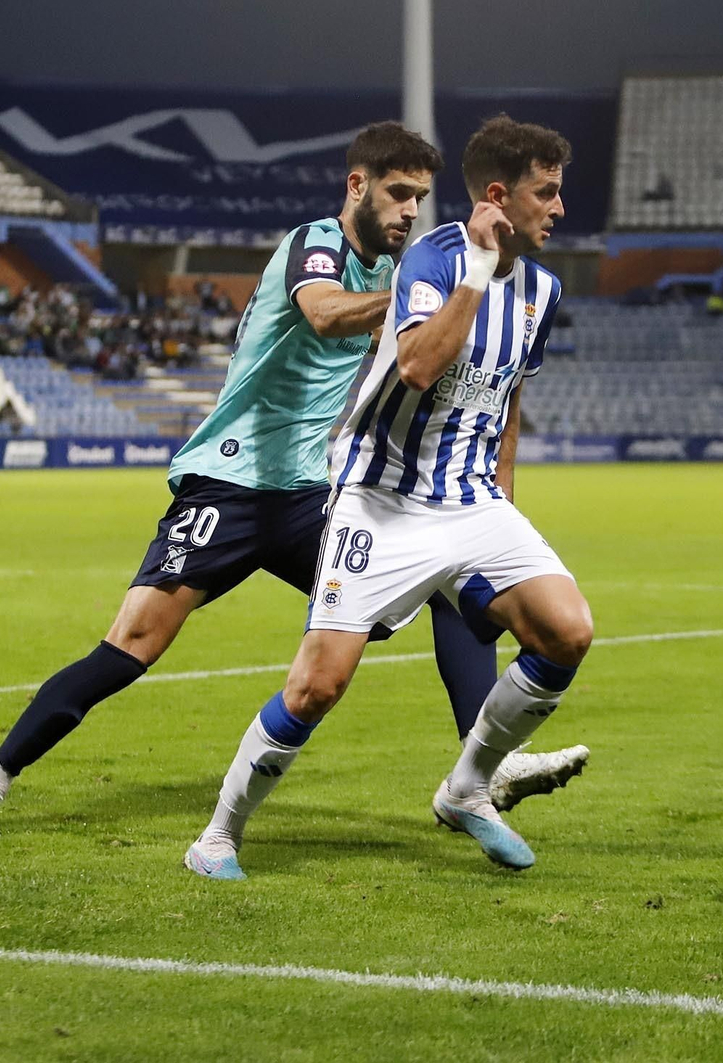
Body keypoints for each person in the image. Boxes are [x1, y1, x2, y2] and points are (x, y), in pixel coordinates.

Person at [0, 122, 587, 842]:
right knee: (134, 643)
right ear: (357, 186)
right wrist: (422, 299)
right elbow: (322, 314)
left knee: (452, 587)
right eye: (398, 194)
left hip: (311, 494)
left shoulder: (397, 269)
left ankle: (481, 770)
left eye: (419, 198)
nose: (411, 211)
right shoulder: (318, 244)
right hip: (231, 481)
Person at [185, 116, 591, 879]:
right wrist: (477, 270)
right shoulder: (432, 261)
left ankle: (467, 789)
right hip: (381, 501)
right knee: (318, 685)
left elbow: (508, 402)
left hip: (471, 503)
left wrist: (504, 505)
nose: (559, 208)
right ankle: (216, 836)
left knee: (567, 631)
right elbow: (417, 365)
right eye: (546, 192)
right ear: (498, 195)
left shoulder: (543, 289)